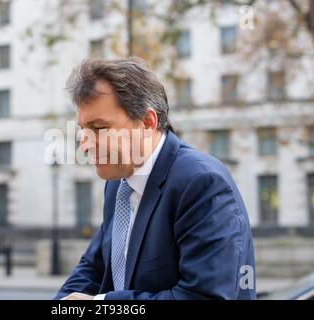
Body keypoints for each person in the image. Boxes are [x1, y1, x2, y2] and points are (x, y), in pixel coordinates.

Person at [54, 57, 256, 300]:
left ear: (147, 122)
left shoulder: (202, 183)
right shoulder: (118, 183)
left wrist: (103, 303)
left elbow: (205, 297)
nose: (84, 145)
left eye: (99, 128)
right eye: (82, 129)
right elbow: (93, 268)